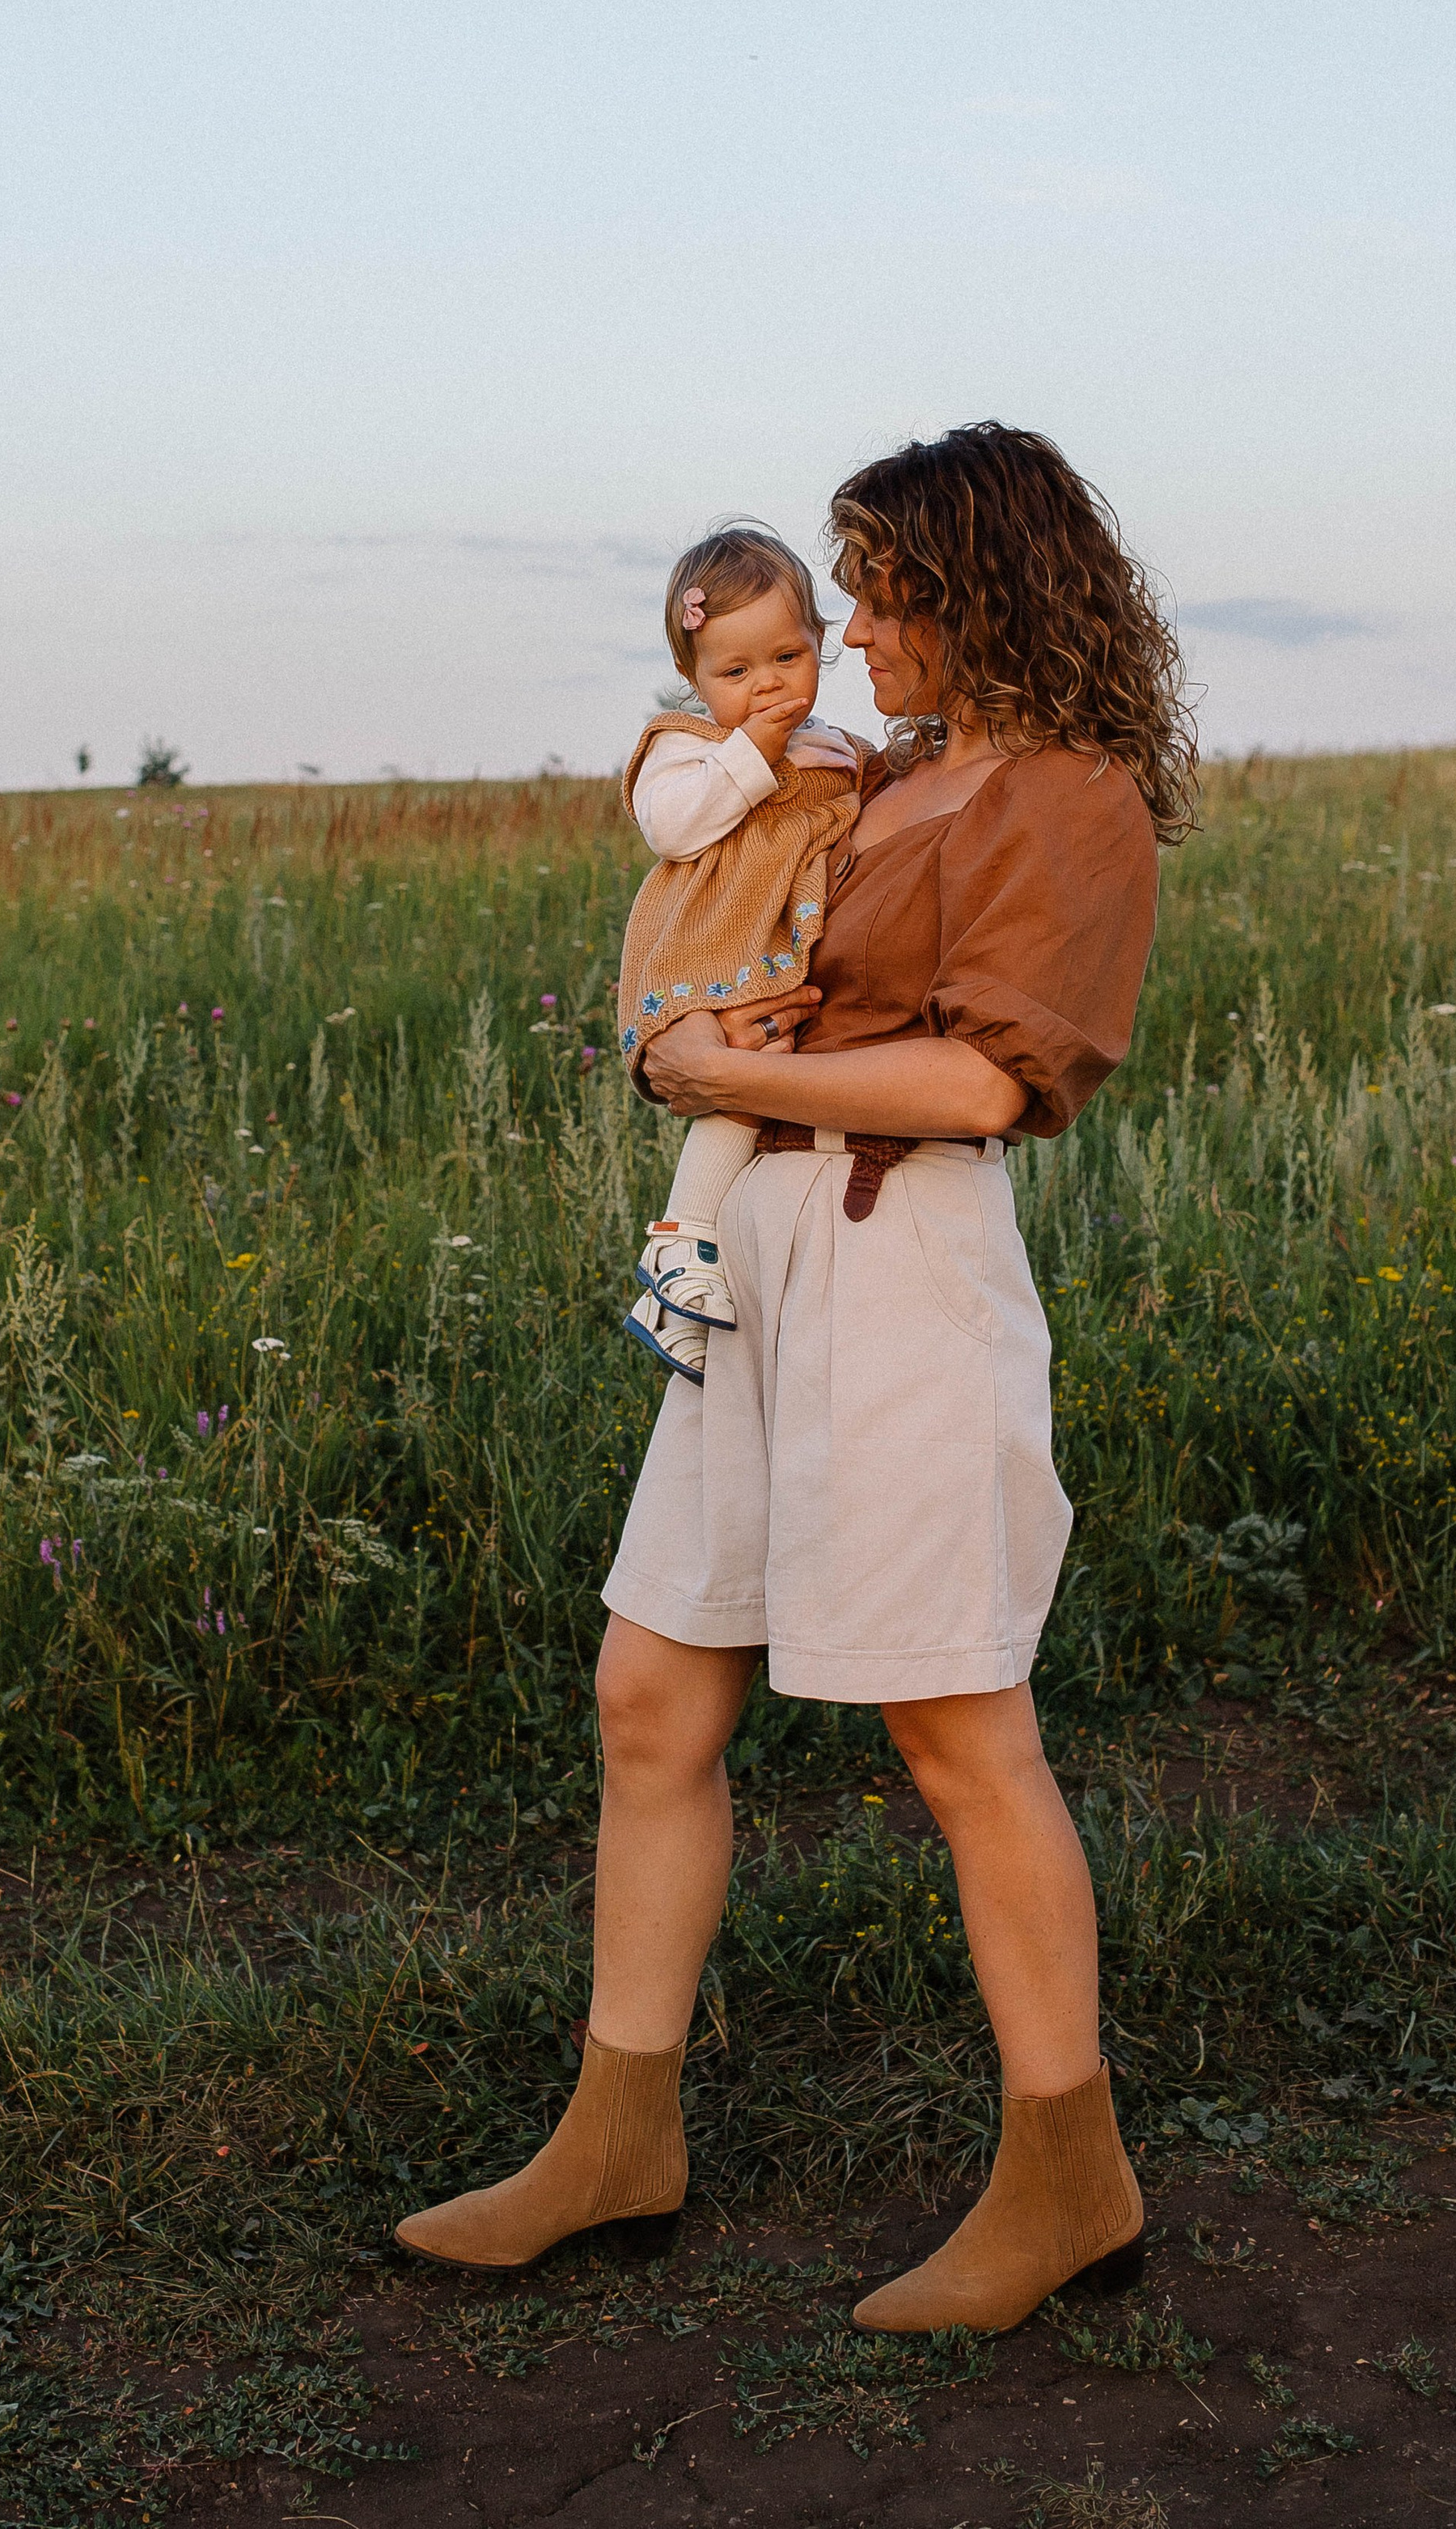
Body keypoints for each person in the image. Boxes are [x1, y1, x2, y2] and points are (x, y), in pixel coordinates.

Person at [397, 422, 1194, 2335]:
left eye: (872, 586)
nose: (842, 622)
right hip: (758, 1255)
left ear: (967, 586)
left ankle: (1068, 2175)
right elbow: (761, 929)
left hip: (901, 1266)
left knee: (950, 1726)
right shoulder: (893, 775)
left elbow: (983, 1084)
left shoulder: (1066, 797)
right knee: (651, 1687)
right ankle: (616, 2135)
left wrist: (737, 1074)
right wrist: (732, 1023)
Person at [616, 523, 862, 1383]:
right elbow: (673, 825)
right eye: (734, 673)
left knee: (758, 1078)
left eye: (786, 658)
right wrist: (751, 751)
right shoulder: (682, 747)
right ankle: (679, 1240)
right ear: (692, 680)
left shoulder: (829, 745)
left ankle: (676, 1282)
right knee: (733, 1073)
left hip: (768, 955)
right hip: (701, 949)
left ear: (820, 647)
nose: (766, 687)